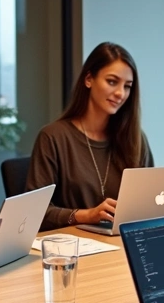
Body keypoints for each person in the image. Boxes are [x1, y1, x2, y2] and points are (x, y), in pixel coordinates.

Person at [26, 42, 154, 230]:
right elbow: (34, 212)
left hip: (122, 243)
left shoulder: (135, 138)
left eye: (127, 86)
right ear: (88, 79)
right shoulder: (53, 137)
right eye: (112, 82)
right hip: (73, 248)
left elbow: (152, 198)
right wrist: (87, 215)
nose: (120, 93)